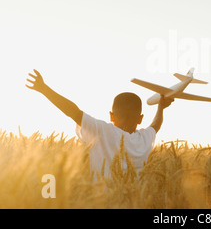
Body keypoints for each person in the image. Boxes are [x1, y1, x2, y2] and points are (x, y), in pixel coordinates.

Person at [25, 69, 173, 178]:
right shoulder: (144, 139)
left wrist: (44, 89)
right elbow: (156, 125)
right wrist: (161, 107)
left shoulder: (102, 131)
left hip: (101, 203)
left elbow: (73, 112)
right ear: (140, 119)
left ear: (111, 116)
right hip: (134, 202)